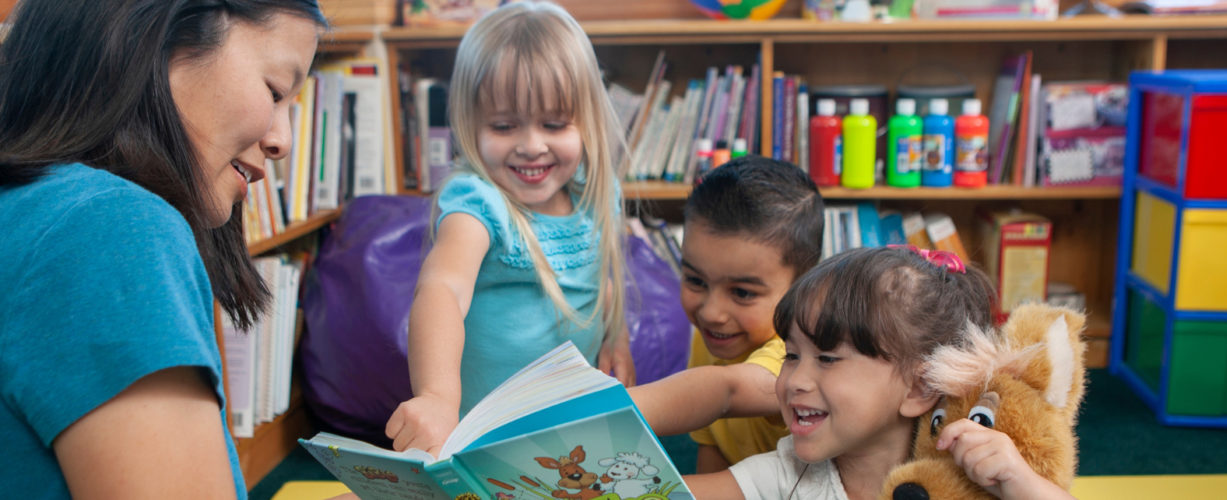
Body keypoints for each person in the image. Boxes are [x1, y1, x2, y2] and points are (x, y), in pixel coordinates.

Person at [0, 0, 325, 498]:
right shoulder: (106, 228)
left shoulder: (31, 208)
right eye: (275, 90)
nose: (282, 141)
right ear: (159, 37)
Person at [385, 1, 632, 456]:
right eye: (504, 126)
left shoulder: (598, 192)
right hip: (483, 440)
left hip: (571, 429)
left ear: (588, 120)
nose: (531, 146)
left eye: (554, 124)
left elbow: (603, 279)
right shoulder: (478, 204)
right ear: (470, 123)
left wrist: (617, 338)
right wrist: (437, 399)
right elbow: (442, 291)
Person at [685, 246, 1072, 500]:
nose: (794, 381)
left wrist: (1017, 480)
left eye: (827, 359)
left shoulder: (962, 475)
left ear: (918, 388)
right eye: (791, 355)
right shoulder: (789, 474)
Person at [630, 155, 825, 474]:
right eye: (695, 280)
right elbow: (715, 448)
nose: (710, 312)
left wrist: (607, 410)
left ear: (803, 287)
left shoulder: (799, 353)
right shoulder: (714, 338)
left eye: (742, 293)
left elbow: (725, 392)